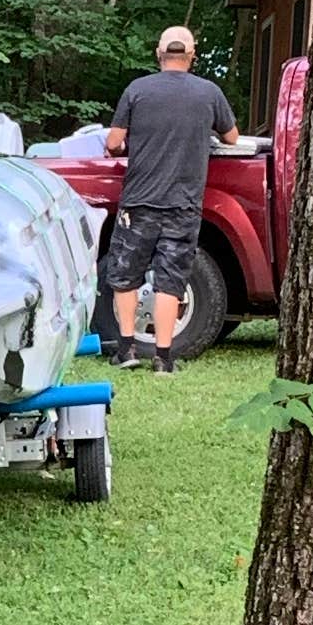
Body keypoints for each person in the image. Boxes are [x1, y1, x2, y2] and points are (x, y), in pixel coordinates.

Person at [102, 24, 241, 369]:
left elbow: (113, 142)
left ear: (159, 55)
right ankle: (163, 359)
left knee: (126, 274)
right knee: (171, 278)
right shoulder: (209, 93)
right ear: (192, 56)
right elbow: (233, 138)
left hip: (139, 201)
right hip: (183, 204)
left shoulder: (137, 90)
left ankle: (127, 350)